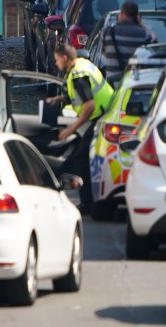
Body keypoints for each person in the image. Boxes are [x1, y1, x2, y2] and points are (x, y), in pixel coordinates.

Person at [47, 43, 115, 213]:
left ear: (64, 58)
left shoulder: (78, 75)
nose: (56, 64)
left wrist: (70, 130)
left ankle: (87, 204)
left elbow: (89, 105)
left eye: (56, 60)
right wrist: (59, 99)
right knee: (80, 154)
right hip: (107, 113)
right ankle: (90, 200)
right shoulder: (81, 65)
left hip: (101, 117)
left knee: (80, 157)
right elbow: (79, 95)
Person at [101, 0, 156, 86]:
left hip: (113, 82)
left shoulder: (108, 31)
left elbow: (104, 52)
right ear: (136, 16)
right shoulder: (142, 33)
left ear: (121, 13)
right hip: (134, 81)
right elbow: (155, 43)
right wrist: (140, 24)